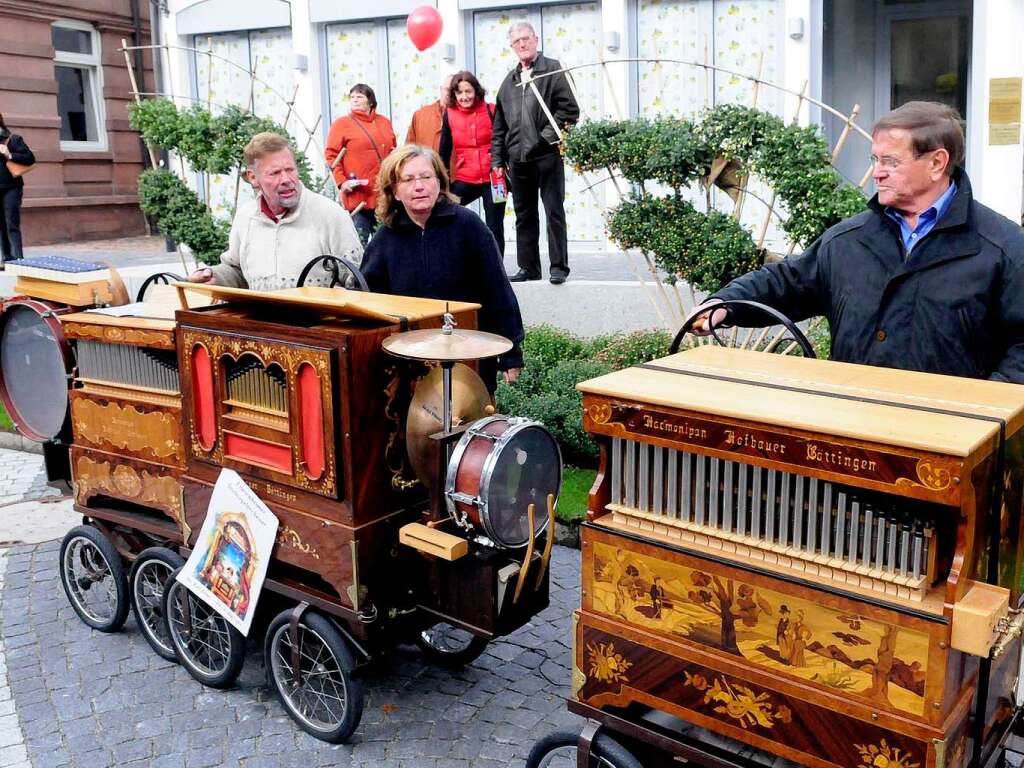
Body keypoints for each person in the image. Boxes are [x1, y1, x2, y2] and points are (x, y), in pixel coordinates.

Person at [692, 101, 1024, 383]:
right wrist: (724, 304)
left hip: (951, 444)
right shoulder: (847, 240)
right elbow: (788, 282)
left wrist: (984, 418)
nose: (878, 173)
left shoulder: (1003, 248)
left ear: (936, 163)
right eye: (875, 160)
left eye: (891, 162)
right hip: (853, 432)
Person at [361, 145, 523, 392]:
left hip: (468, 357)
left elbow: (497, 289)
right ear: (394, 189)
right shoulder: (386, 237)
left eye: (426, 177)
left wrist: (511, 350)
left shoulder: (468, 226)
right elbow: (369, 299)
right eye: (408, 179)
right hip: (410, 364)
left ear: (439, 181)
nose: (419, 186)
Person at [187, 132, 362, 291]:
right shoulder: (245, 217)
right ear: (253, 177)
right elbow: (237, 272)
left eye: (290, 170)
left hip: (320, 325)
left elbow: (359, 281)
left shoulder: (330, 215)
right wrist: (213, 276)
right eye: (275, 173)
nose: (286, 179)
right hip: (262, 325)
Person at [492, 21, 579, 285]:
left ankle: (558, 267)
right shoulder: (509, 81)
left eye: (526, 38)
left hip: (547, 155)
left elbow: (569, 112)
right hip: (517, 160)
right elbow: (499, 126)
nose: (522, 44)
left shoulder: (553, 70)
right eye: (516, 41)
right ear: (511, 46)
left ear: (536, 39)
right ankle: (528, 267)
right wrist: (497, 159)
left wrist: (544, 141)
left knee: (554, 211)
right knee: (524, 216)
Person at [439, 70, 506, 256]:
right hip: (465, 177)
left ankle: (497, 268)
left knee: (494, 225)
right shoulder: (450, 114)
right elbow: (444, 149)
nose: (464, 96)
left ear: (476, 91)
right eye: (459, 92)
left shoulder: (491, 110)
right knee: (444, 211)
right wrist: (440, 180)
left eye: (468, 91)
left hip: (494, 178)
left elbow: (504, 140)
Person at [325, 84, 397, 245]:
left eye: (360, 96)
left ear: (370, 101)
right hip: (358, 194)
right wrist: (341, 182)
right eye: (352, 97)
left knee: (388, 242)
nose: (355, 100)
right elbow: (331, 155)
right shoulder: (342, 124)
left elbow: (393, 151)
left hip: (383, 192)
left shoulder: (384, 122)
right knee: (359, 243)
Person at [0, 113, 35, 267]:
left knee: (11, 222)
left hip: (11, 188)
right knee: (1, 225)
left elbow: (30, 158)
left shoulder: (13, 139)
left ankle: (18, 259)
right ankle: (6, 257)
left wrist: (9, 154)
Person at [405, 75, 453, 152]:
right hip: (425, 163)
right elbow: (409, 149)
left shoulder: (464, 117)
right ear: (441, 89)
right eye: (447, 89)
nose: (450, 93)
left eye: (454, 90)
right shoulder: (420, 115)